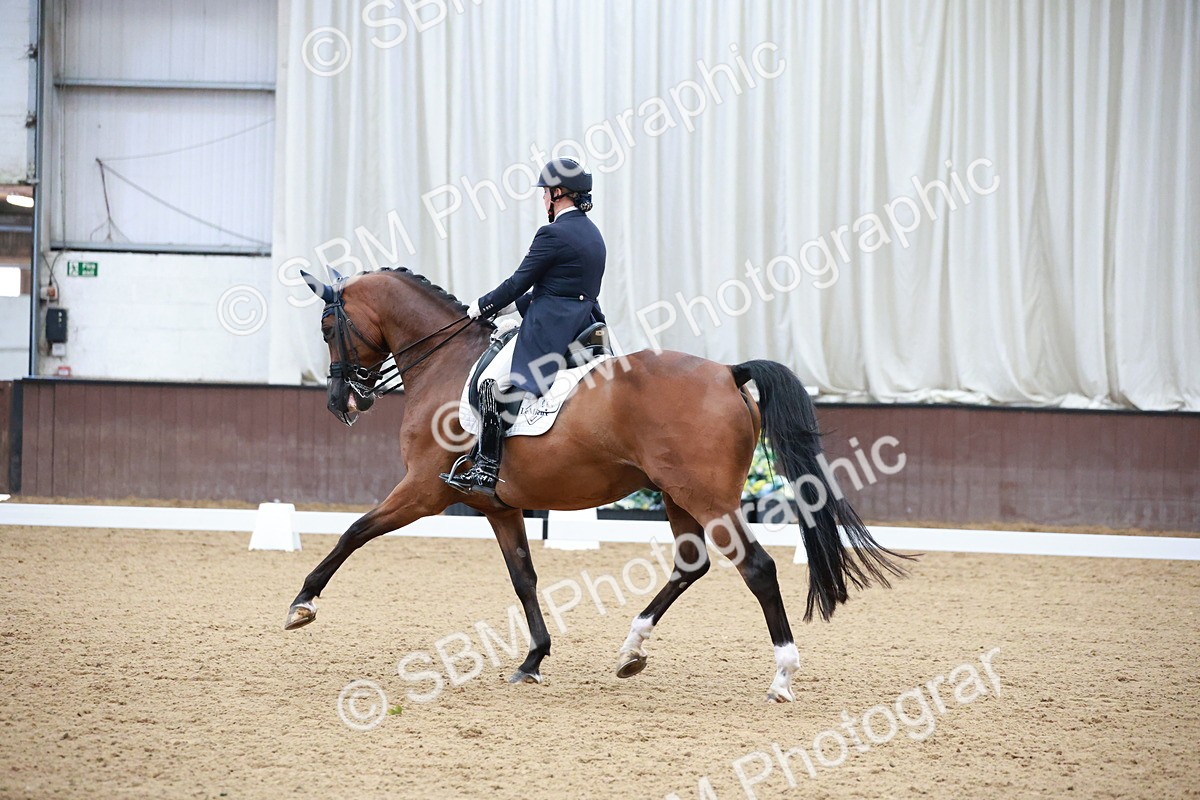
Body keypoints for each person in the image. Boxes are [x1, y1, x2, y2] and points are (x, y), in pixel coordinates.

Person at [442, 158, 607, 496]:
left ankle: (486, 468)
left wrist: (482, 306)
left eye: (546, 193)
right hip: (587, 322)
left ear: (558, 193)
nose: (543, 199)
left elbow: (519, 281)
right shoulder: (593, 233)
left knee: (490, 380)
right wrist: (508, 308)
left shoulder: (553, 233)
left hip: (552, 329)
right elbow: (557, 288)